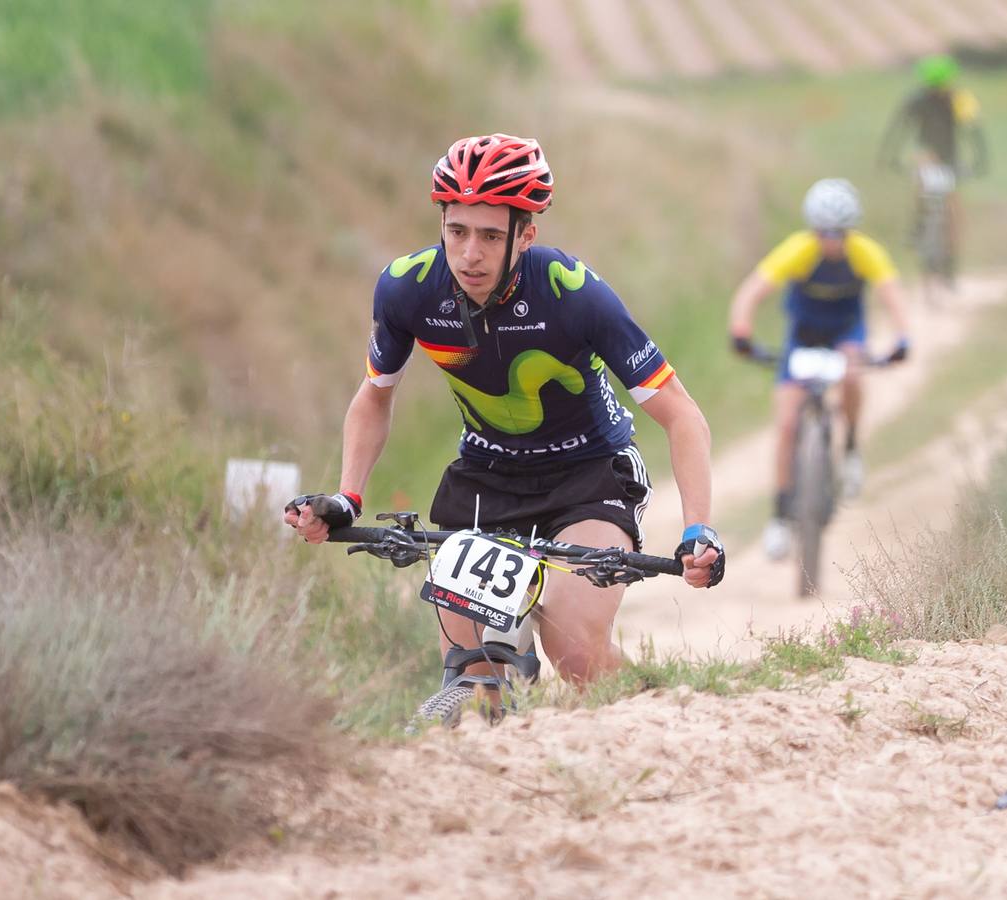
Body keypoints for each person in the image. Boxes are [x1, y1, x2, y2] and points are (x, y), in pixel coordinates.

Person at [283, 134, 723, 686]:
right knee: (472, 674)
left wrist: (698, 530)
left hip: (588, 476)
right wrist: (346, 498)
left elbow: (682, 415)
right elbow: (374, 396)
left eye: (491, 235)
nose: (470, 254)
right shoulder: (408, 291)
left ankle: (659, 725)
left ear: (526, 235)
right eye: (457, 231)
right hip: (486, 479)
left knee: (576, 654)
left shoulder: (573, 293)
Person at [727, 179, 913, 561]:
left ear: (850, 232)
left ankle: (851, 448)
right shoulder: (798, 250)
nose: (832, 241)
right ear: (813, 230)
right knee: (786, 424)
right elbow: (751, 291)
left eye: (839, 233)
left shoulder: (865, 253)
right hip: (803, 334)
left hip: (847, 330)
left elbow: (892, 295)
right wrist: (741, 331)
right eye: (824, 232)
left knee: (852, 373)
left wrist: (902, 338)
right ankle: (779, 516)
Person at [876, 53, 988, 289]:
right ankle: (919, 225)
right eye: (932, 86)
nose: (936, 90)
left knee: (954, 210)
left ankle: (951, 264)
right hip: (927, 155)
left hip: (951, 158)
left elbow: (974, 130)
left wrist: (981, 159)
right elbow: (898, 129)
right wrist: (889, 156)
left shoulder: (960, 100)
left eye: (940, 85)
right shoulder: (915, 100)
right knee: (922, 186)